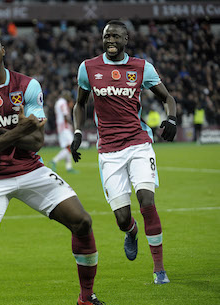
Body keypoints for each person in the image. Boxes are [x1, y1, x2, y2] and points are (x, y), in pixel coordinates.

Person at [0, 29, 116, 305]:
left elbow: (37, 141)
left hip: (31, 170)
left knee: (82, 221)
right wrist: (18, 128)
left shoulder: (27, 85)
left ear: (2, 50)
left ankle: (87, 297)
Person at [70, 20, 177, 285]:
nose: (111, 40)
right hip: (108, 150)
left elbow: (167, 98)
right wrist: (77, 132)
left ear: (126, 39)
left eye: (116, 36)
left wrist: (171, 118)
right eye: (107, 36)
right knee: (122, 217)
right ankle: (131, 231)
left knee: (147, 201)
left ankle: (159, 269)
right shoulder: (88, 68)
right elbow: (80, 104)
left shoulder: (142, 68)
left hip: (139, 142)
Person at [49, 91, 78, 173]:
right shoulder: (63, 103)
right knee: (71, 146)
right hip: (65, 127)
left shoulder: (58, 103)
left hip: (60, 126)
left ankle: (69, 167)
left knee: (67, 147)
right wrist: (73, 124)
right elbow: (65, 115)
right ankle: (54, 160)